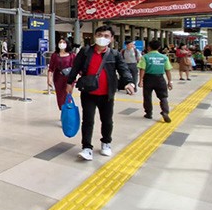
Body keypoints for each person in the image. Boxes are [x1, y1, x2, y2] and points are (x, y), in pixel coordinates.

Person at [67, 25, 135, 161]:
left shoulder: (114, 54)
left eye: (106, 36)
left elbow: (124, 69)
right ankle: (86, 147)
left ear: (111, 38)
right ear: (94, 36)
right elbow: (75, 67)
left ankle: (106, 143)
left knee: (107, 120)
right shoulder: (86, 52)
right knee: (87, 121)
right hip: (88, 93)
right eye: (99, 35)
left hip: (107, 94)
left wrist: (129, 82)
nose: (102, 38)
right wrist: (70, 82)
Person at [138, 39, 173, 122]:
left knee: (147, 97)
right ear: (159, 47)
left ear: (148, 47)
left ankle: (148, 113)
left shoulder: (145, 57)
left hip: (148, 78)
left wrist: (140, 80)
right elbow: (168, 70)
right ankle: (165, 112)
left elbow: (142, 69)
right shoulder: (164, 57)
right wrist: (170, 82)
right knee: (163, 97)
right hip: (160, 79)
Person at [47, 37, 74, 117]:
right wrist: (49, 79)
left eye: (64, 42)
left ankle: (67, 114)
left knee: (67, 96)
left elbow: (76, 68)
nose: (61, 44)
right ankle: (63, 111)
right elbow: (51, 68)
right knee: (60, 97)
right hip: (58, 78)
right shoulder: (55, 55)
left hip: (69, 79)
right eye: (60, 42)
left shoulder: (72, 55)